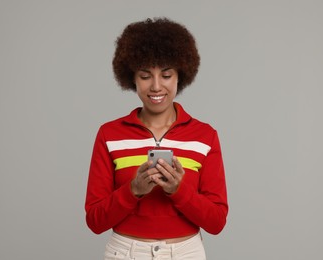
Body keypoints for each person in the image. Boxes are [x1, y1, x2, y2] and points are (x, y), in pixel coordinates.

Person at [85, 17, 228, 260]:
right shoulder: (109, 134)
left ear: (179, 76)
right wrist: (134, 190)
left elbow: (216, 222)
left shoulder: (205, 136)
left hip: (186, 253)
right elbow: (95, 221)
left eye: (166, 75)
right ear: (131, 78)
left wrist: (178, 190)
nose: (156, 86)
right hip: (125, 253)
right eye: (145, 76)